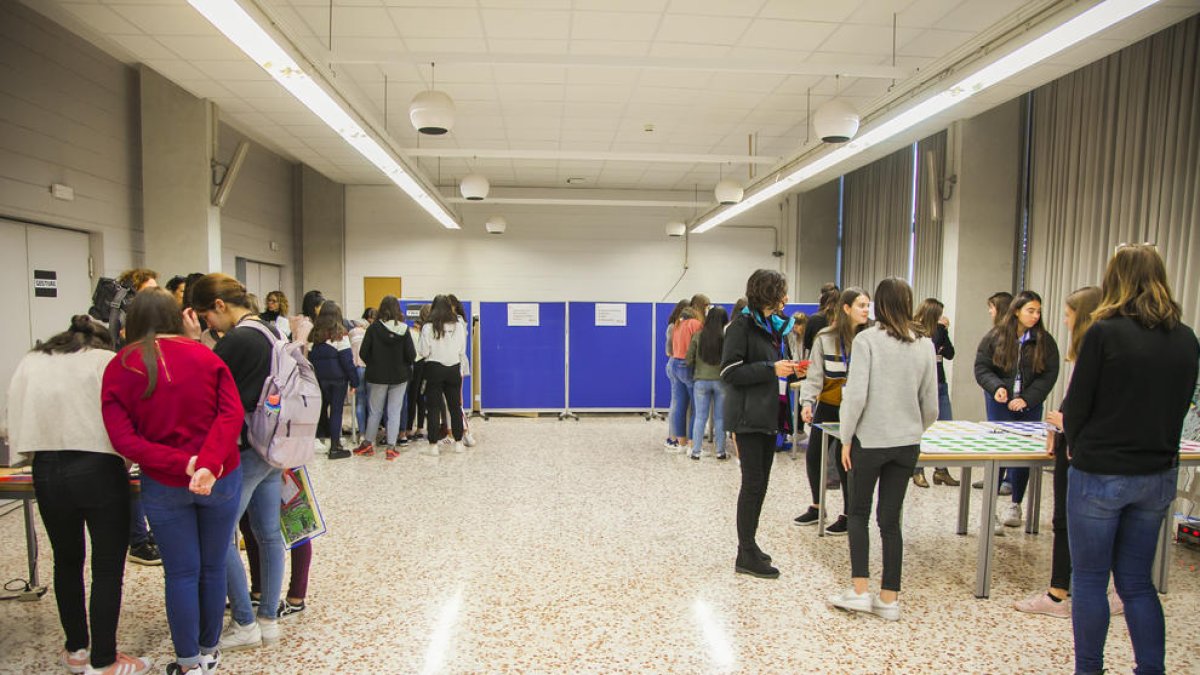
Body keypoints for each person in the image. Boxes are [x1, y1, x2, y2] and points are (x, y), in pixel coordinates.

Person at [1062, 245, 1198, 675]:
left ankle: (1090, 669)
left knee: (1088, 580)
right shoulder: (1186, 337)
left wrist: (1075, 445)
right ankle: (1150, 669)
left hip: (1101, 469)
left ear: (1114, 279)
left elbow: (1077, 403)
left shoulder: (1104, 331)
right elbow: (1181, 404)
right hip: (1156, 472)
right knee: (1138, 583)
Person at [102, 289, 244, 675]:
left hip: (164, 483)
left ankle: (187, 663)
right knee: (213, 567)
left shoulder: (120, 366)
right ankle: (210, 650)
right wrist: (208, 465)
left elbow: (124, 439)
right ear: (181, 317)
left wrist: (184, 464)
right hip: (221, 477)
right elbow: (231, 416)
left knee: (181, 572)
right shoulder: (206, 357)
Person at [7, 317, 152, 675]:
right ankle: (104, 660)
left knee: (66, 561)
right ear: (102, 341)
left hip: (46, 469)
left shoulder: (33, 359)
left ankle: (76, 650)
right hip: (99, 468)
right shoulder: (106, 362)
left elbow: (15, 413)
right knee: (106, 567)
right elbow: (130, 413)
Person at [828, 278, 937, 622]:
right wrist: (914, 429)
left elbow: (855, 395)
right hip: (906, 444)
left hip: (870, 441)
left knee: (858, 513)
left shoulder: (867, 341)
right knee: (891, 521)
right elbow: (930, 403)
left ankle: (860, 591)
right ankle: (889, 599)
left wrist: (846, 437)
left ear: (879, 304)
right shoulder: (925, 345)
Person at [187, 274, 286, 653]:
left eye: (206, 317)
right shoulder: (272, 332)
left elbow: (202, 382)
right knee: (269, 534)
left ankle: (244, 620)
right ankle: (268, 619)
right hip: (274, 445)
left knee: (220, 535)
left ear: (219, 306)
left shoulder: (239, 339)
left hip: (245, 448)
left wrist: (195, 344)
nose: (208, 326)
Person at [1014, 286, 1112, 618]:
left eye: (1069, 316)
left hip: (1082, 450)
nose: (1065, 322)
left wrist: (1064, 421)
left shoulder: (1095, 351)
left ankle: (1058, 594)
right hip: (1080, 443)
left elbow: (1096, 406)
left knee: (1067, 521)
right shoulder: (1096, 350)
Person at [723, 269, 805, 578]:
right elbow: (730, 372)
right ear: (769, 293)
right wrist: (771, 368)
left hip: (769, 413)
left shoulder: (772, 327)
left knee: (761, 485)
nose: (786, 296)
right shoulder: (741, 327)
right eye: (782, 291)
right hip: (748, 418)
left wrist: (793, 371)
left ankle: (750, 545)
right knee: (752, 484)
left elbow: (773, 369)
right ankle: (745, 553)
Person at [974, 290, 1060, 533]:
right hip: (999, 404)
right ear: (1016, 311)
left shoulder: (1044, 341)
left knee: (1024, 456)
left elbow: (1049, 375)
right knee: (999, 453)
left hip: (1028, 407)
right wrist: (997, 387)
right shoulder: (996, 337)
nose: (1035, 316)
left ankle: (1015, 504)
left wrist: (1027, 399)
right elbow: (982, 368)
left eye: (1038, 311)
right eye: (1030, 311)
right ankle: (990, 512)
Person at [796, 287, 871, 535]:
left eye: (868, 305)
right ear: (846, 308)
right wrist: (807, 403)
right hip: (830, 403)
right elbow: (815, 374)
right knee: (814, 455)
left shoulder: (871, 337)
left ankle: (849, 515)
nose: (866, 310)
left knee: (845, 459)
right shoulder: (825, 337)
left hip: (858, 409)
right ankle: (818, 506)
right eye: (861, 305)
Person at [357, 296, 417, 459]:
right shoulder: (404, 329)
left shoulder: (373, 328)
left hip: (377, 376)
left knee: (375, 411)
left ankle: (368, 444)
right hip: (400, 377)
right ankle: (391, 447)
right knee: (394, 411)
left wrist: (375, 363)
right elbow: (411, 355)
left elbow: (363, 353)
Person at [912, 299, 959, 488]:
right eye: (939, 315)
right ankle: (917, 469)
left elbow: (949, 353)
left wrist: (944, 331)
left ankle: (941, 470)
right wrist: (939, 330)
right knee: (921, 429)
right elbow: (932, 348)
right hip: (922, 386)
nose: (943, 318)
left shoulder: (940, 331)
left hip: (940, 383)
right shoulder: (916, 331)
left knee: (945, 426)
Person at [418, 295, 468, 456]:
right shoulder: (459, 325)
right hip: (453, 367)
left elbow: (423, 351)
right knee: (455, 407)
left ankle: (433, 446)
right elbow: (462, 350)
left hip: (433, 368)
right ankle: (459, 442)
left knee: (433, 408)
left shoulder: (428, 327)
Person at [308, 302, 358, 460]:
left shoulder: (314, 334)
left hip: (320, 378)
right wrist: (354, 381)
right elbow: (347, 361)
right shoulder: (339, 333)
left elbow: (310, 357)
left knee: (321, 409)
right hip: (338, 379)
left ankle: (318, 440)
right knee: (336, 411)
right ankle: (335, 447)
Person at [686, 306, 730, 461]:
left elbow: (688, 359)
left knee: (700, 417)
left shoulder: (698, 336)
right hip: (721, 381)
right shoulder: (726, 338)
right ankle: (720, 451)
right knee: (720, 418)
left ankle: (696, 451)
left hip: (700, 381)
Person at [670, 294, 709, 454]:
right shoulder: (696, 324)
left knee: (679, 405)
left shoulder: (679, 323)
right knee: (697, 408)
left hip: (675, 364)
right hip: (688, 366)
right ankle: (694, 445)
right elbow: (700, 347)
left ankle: (681, 443)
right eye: (707, 307)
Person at [663, 299, 690, 450]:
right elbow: (668, 351)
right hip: (676, 364)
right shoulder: (674, 327)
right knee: (677, 403)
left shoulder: (676, 326)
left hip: (674, 365)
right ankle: (672, 438)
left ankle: (675, 437)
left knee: (678, 403)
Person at [405, 304, 432, 443]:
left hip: (416, 364)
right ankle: (421, 427)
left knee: (413, 396)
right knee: (421, 396)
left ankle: (409, 427)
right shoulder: (434, 329)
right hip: (427, 365)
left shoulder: (413, 331)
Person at [349, 307, 375, 445]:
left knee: (360, 402)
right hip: (370, 369)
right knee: (372, 403)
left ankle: (362, 433)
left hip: (357, 368)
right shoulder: (372, 332)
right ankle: (372, 434)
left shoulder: (352, 332)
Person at [803, 283, 840, 354]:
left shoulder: (815, 319)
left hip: (818, 359)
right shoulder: (843, 319)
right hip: (838, 360)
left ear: (822, 298)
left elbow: (807, 344)